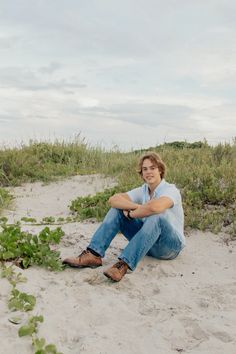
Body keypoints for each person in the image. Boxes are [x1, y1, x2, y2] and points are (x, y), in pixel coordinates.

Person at [63, 152, 185, 282]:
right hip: (147, 246)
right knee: (117, 210)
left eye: (153, 168)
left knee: (156, 217)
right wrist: (137, 207)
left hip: (170, 247)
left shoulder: (171, 190)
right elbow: (114, 200)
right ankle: (93, 254)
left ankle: (123, 265)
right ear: (141, 173)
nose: (148, 172)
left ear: (160, 170)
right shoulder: (143, 190)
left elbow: (155, 208)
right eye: (145, 169)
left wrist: (132, 213)